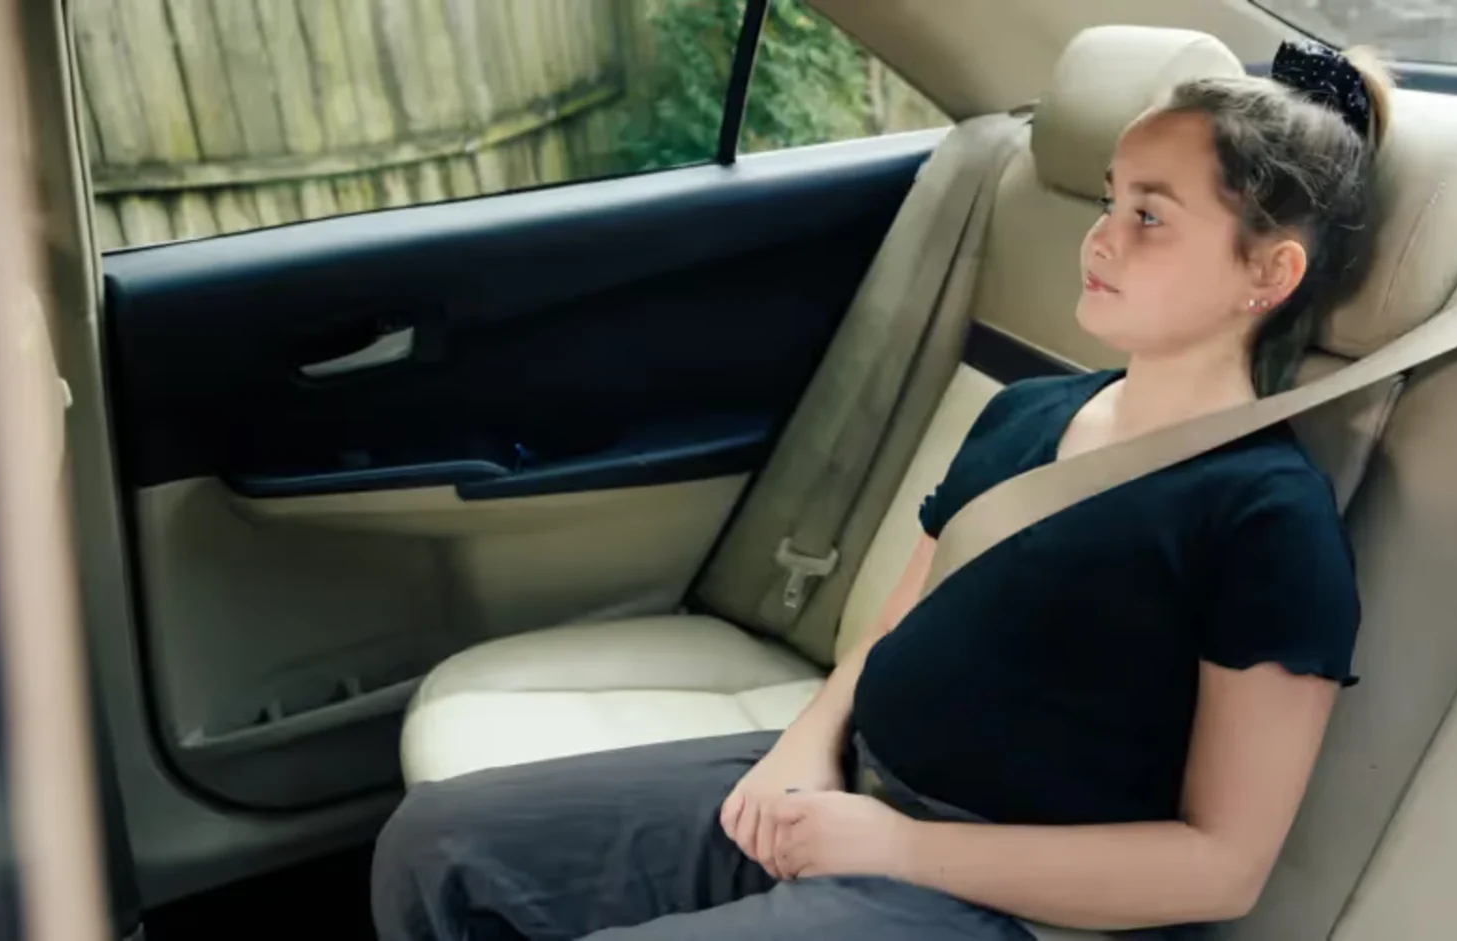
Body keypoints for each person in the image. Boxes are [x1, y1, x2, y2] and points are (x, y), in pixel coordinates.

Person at [371, 39, 1391, 941]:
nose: (1101, 236)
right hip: (850, 784)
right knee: (439, 847)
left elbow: (1221, 861)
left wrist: (897, 847)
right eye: (1111, 199)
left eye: (1151, 216)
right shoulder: (1026, 413)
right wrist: (804, 745)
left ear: (1270, 273)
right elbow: (899, 623)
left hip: (993, 896)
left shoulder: (1265, 517)